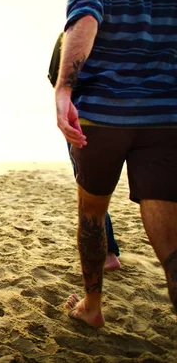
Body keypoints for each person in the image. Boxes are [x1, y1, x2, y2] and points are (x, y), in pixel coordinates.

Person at [55, 0, 177, 328]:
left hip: (103, 119)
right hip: (164, 118)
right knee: (172, 238)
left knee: (92, 213)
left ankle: (92, 306)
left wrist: (63, 89)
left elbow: (84, 25)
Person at [48, 33, 121, 271]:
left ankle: (108, 253)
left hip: (84, 120)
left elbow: (55, 77)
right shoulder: (118, 33)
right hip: (124, 117)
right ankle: (109, 251)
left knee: (90, 191)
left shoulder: (69, 37)